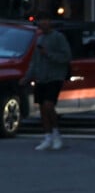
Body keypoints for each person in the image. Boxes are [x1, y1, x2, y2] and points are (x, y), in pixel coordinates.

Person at [19, 10, 71, 151]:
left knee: (49, 105)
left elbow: (66, 57)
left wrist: (48, 54)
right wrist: (27, 77)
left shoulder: (58, 37)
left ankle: (56, 134)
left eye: (46, 20)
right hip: (41, 78)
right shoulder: (39, 39)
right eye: (41, 20)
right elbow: (34, 62)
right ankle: (47, 136)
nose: (43, 23)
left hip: (55, 77)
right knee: (42, 108)